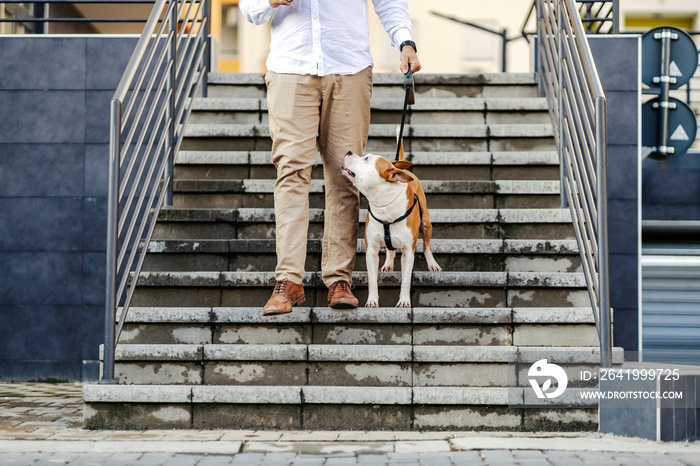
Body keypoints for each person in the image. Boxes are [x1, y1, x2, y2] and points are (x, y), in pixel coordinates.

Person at [239, 0, 421, 315]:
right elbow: (248, 8)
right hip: (291, 67)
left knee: (346, 177)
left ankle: (339, 279)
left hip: (349, 66)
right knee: (291, 173)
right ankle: (288, 280)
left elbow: (390, 2)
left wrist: (405, 41)